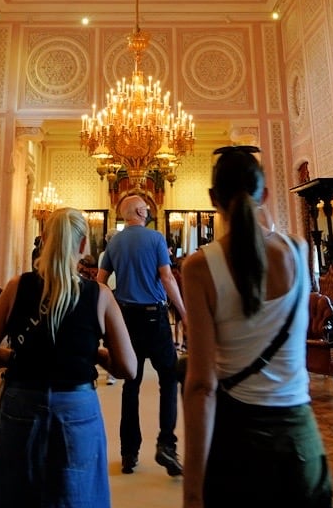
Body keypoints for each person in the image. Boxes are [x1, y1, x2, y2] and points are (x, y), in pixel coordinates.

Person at [180, 146, 333, 508]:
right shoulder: (299, 250)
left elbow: (201, 385)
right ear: (264, 194)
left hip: (236, 442)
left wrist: (192, 491)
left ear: (213, 199)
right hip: (300, 440)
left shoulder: (199, 267)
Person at [0, 207, 135, 508]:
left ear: (44, 239)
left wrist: (18, 357)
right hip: (76, 405)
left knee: (15, 495)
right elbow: (128, 366)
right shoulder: (99, 295)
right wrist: (95, 353)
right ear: (84, 245)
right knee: (79, 496)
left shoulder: (15, 287)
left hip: (20, 400)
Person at [97, 191, 188, 475]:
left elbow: (100, 283)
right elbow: (167, 277)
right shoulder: (156, 238)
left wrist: (107, 316)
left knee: (130, 385)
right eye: (145, 208)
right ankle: (166, 445)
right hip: (155, 318)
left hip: (126, 320)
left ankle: (129, 453)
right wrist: (184, 313)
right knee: (169, 379)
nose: (148, 211)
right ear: (138, 212)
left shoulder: (113, 244)